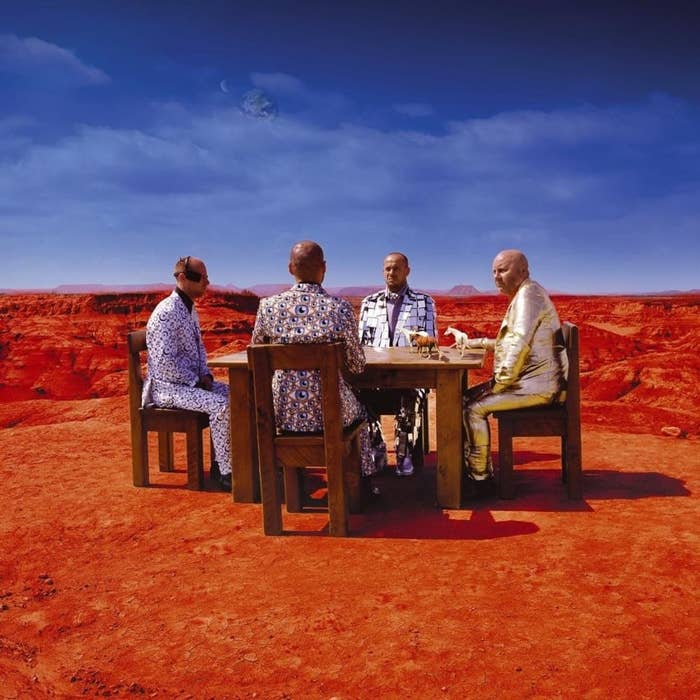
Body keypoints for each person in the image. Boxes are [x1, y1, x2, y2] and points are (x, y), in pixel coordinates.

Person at [250, 240, 379, 486]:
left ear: (290, 268)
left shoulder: (267, 307)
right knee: (362, 413)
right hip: (331, 415)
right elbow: (356, 365)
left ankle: (283, 485)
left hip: (281, 413)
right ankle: (360, 483)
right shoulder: (339, 308)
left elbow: (257, 355)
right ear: (324, 268)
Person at [462, 249, 568, 482]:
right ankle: (471, 467)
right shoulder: (525, 293)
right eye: (494, 272)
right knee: (464, 398)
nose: (496, 277)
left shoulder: (528, 296)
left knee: (472, 408)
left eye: (503, 270)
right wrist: (474, 343)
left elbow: (518, 343)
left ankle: (479, 479)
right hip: (532, 381)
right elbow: (508, 342)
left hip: (539, 387)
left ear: (523, 271)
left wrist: (498, 385)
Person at [143, 256, 233, 490]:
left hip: (188, 385)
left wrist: (206, 376)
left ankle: (223, 461)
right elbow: (164, 362)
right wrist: (195, 380)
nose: (207, 282)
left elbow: (199, 349)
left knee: (236, 395)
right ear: (183, 278)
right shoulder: (167, 312)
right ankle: (226, 473)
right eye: (202, 278)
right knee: (221, 406)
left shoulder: (189, 309)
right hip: (168, 389)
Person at [358, 252, 437, 476]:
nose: (391, 273)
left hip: (411, 377)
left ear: (407, 271)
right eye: (387, 269)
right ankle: (376, 449)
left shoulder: (424, 302)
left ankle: (405, 453)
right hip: (375, 378)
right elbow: (360, 345)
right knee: (357, 395)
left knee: (410, 396)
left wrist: (421, 341)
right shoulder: (369, 303)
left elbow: (431, 341)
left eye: (396, 268)